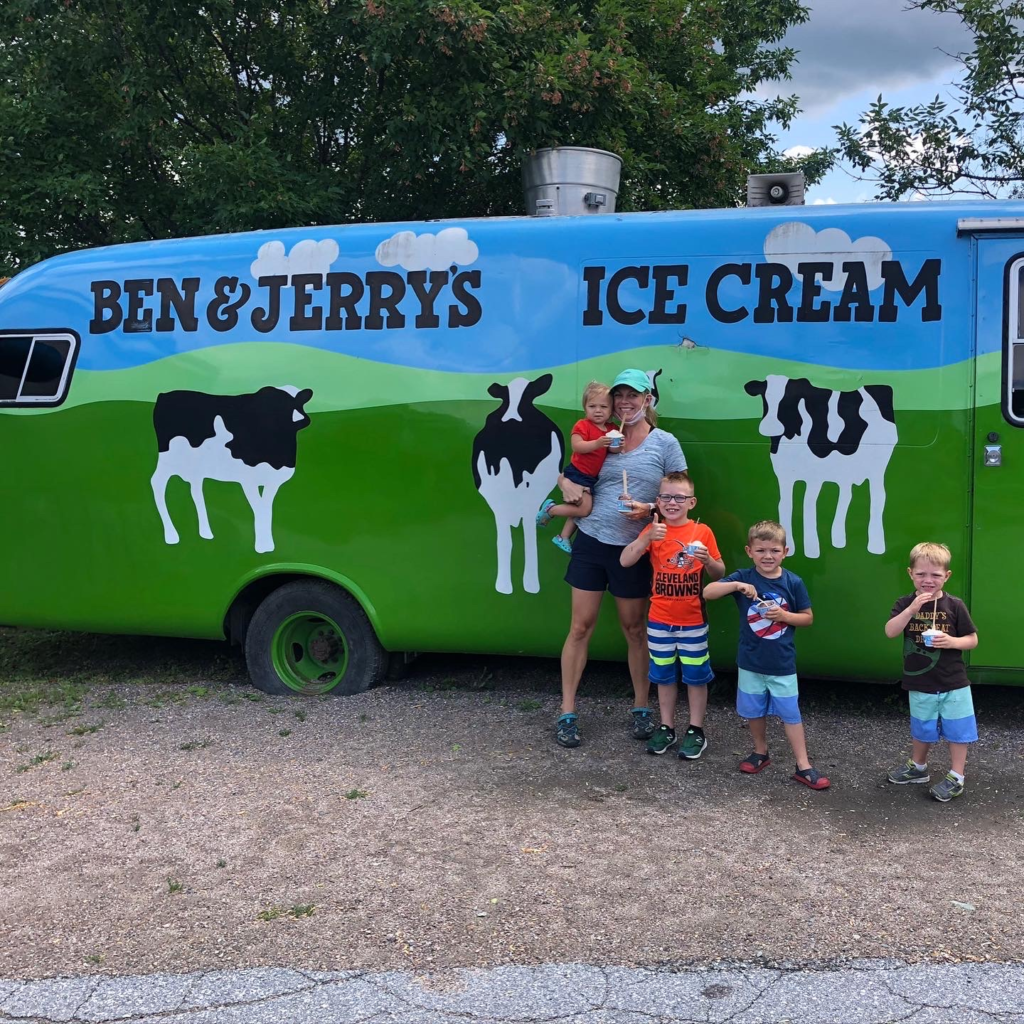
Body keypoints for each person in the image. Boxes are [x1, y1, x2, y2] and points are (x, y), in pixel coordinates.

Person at [553, 368, 686, 749]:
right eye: (620, 396)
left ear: (648, 400)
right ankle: (567, 711)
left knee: (634, 629)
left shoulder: (665, 443)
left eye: (634, 395)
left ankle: (641, 708)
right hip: (592, 542)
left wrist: (649, 510)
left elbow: (682, 496)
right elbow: (573, 475)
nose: (626, 402)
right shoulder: (598, 436)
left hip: (637, 549)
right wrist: (564, 483)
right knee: (580, 628)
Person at [703, 520, 830, 790]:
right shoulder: (744, 577)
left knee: (791, 714)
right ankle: (760, 752)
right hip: (750, 662)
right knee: (753, 710)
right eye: (761, 551)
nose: (768, 556)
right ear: (750, 551)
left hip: (782, 664)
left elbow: (807, 618)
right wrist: (736, 586)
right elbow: (708, 592)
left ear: (786, 551)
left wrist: (784, 616)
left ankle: (803, 765)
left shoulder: (793, 582)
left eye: (774, 550)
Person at [619, 472, 725, 758]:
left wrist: (708, 561)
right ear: (657, 501)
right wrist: (646, 539)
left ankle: (696, 730)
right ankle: (666, 726)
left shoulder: (703, 532)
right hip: (659, 620)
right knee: (664, 676)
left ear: (691, 502)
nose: (672, 502)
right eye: (666, 497)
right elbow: (625, 560)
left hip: (692, 621)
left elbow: (720, 574)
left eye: (679, 497)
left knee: (695, 676)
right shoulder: (654, 529)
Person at [884, 542, 979, 802]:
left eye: (935, 575)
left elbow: (972, 639)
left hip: (954, 681)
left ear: (946, 576)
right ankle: (919, 767)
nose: (928, 580)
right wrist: (912, 609)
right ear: (910, 573)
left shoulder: (955, 605)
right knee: (922, 728)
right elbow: (891, 631)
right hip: (919, 681)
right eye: (921, 574)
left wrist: (951, 641)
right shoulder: (904, 603)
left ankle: (956, 776)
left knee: (958, 730)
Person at [536, 381, 618, 553]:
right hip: (578, 474)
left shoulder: (612, 428)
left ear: (611, 410)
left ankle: (563, 537)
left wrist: (618, 444)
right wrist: (597, 443)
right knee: (584, 509)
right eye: (592, 406)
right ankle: (551, 510)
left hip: (591, 478)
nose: (598, 410)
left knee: (577, 509)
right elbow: (577, 446)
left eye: (603, 406)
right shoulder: (583, 425)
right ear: (585, 408)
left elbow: (613, 450)